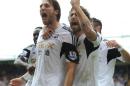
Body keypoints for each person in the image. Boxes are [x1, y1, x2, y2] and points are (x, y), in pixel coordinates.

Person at [31, 0, 79, 86]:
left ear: (56, 11)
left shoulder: (66, 34)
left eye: (46, 6)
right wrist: (23, 79)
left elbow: (71, 69)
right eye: (41, 6)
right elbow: (41, 63)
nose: (42, 8)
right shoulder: (41, 32)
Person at [67, 0, 102, 85]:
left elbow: (88, 29)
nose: (74, 17)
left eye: (77, 14)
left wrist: (76, 6)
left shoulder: (91, 39)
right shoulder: (68, 39)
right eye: (71, 15)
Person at [90, 17, 130, 86]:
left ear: (97, 28)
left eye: (89, 26)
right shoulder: (83, 45)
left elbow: (129, 59)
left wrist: (120, 47)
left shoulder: (108, 46)